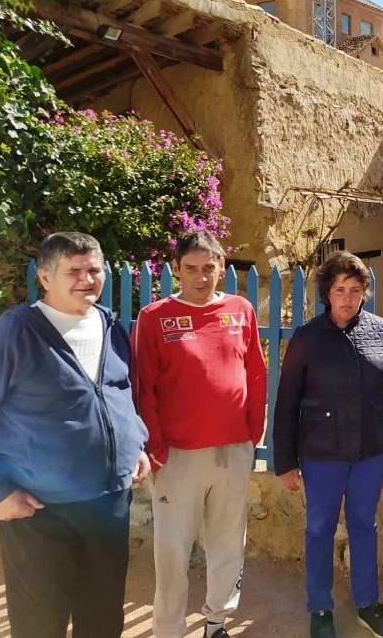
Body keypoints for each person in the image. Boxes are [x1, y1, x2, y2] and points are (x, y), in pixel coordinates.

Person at [0, 231, 150, 638]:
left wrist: (135, 444)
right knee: (41, 624)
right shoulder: (14, 332)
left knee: (103, 618)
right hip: (40, 510)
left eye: (95, 270)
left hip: (108, 504)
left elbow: (119, 393)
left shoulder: (110, 325)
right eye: (73, 270)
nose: (87, 279)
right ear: (44, 277)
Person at [273, 251, 383, 638]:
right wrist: (283, 460)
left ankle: (368, 604)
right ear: (327, 293)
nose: (348, 298)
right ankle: (320, 609)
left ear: (364, 293)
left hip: (371, 451)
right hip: (321, 452)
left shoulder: (382, 330)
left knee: (363, 526)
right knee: (319, 528)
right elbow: (286, 401)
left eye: (355, 290)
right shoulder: (306, 337)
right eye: (340, 290)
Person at [131, 230, 267, 638]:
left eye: (209, 268)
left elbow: (256, 371)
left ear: (222, 268)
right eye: (191, 268)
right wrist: (155, 448)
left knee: (228, 542)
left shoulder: (240, 309)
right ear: (175, 270)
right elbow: (144, 387)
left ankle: (216, 622)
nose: (201, 277)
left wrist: (251, 433)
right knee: (172, 551)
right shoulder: (155, 317)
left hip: (232, 450)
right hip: (176, 455)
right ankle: (169, 629)